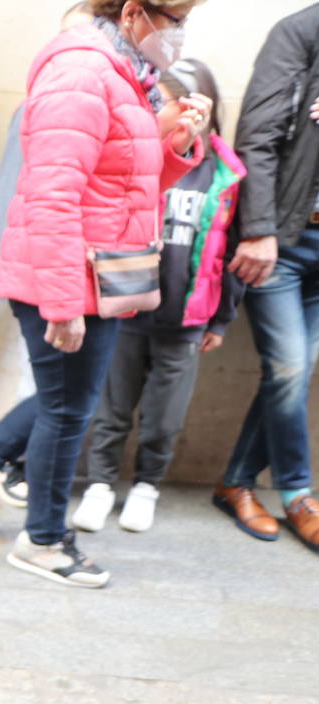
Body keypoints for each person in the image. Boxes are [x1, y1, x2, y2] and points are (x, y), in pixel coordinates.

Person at [0, 0, 211, 588]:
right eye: (175, 18)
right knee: (67, 407)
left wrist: (175, 143)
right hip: (70, 274)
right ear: (133, 13)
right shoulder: (82, 69)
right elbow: (52, 193)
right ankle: (45, 540)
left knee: (66, 397)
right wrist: (63, 302)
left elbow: (125, 184)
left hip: (97, 271)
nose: (180, 33)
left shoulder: (125, 73)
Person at [74, 59, 243, 534]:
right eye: (162, 103)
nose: (169, 113)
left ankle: (147, 485)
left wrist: (221, 319)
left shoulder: (225, 172)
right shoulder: (141, 155)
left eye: (180, 104)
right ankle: (100, 484)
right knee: (111, 410)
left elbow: (232, 250)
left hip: (186, 319)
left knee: (164, 419)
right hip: (129, 307)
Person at [216, 3, 319, 553]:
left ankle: (235, 482)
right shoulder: (300, 34)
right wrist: (258, 230)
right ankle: (300, 494)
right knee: (289, 366)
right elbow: (256, 136)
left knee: (293, 373)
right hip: (282, 239)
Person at [0, 0, 94, 509]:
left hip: (60, 271)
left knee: (61, 394)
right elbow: (19, 194)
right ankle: (5, 470)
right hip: (46, 273)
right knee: (59, 396)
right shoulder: (47, 103)